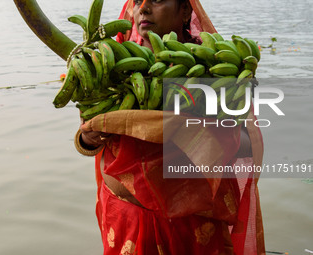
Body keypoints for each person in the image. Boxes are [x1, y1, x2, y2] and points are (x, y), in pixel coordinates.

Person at [74, 0, 266, 254]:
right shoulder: (113, 65)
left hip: (192, 221)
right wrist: (89, 136)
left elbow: (247, 140)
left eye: (157, 0)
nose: (142, 8)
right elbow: (86, 137)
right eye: (137, 1)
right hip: (127, 217)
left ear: (186, 10)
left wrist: (193, 131)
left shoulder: (213, 70)